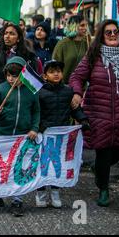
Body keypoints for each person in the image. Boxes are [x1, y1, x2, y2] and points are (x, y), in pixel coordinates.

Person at [69, 19, 119, 207]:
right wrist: (76, 92)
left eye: (116, 31)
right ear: (102, 35)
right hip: (98, 112)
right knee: (104, 152)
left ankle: (99, 168)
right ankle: (103, 189)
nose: (113, 35)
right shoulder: (93, 54)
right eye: (108, 32)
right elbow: (76, 76)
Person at [0, 56, 40, 216]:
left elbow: (36, 111)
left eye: (15, 76)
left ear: (23, 76)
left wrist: (34, 128)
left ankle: (17, 200)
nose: (11, 79)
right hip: (2, 135)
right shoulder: (1, 89)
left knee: (19, 167)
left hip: (22, 137)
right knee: (1, 166)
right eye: (8, 75)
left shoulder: (31, 91)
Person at [35, 60, 89, 208]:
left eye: (58, 71)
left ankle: (55, 192)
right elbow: (36, 112)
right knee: (43, 163)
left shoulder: (68, 91)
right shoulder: (40, 93)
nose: (56, 74)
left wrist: (83, 119)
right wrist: (39, 126)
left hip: (62, 135)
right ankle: (40, 192)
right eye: (52, 71)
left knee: (57, 164)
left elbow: (75, 109)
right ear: (45, 76)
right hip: (44, 134)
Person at [52, 15, 89, 84]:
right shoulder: (62, 44)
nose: (85, 28)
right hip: (65, 87)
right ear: (73, 26)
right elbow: (54, 66)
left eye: (86, 25)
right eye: (82, 25)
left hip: (83, 86)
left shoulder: (87, 43)